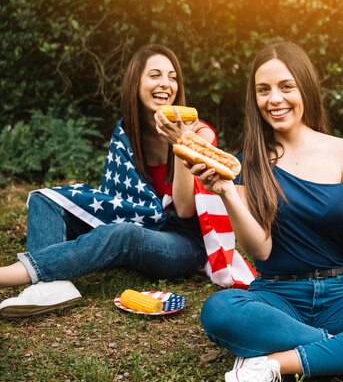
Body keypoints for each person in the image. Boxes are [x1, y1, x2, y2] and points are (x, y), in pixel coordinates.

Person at [187, 41, 343, 382]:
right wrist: (227, 192)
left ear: (305, 87)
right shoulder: (249, 161)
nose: (274, 99)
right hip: (276, 296)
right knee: (220, 310)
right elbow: (261, 251)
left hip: (339, 295)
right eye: (263, 90)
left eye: (285, 86)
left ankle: (277, 362)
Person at [0, 44, 214, 318]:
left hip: (182, 242)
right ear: (135, 83)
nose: (166, 84)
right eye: (155, 75)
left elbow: (185, 209)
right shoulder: (128, 133)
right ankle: (51, 286)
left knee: (122, 233)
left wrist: (181, 144)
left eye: (172, 77)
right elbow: (118, 200)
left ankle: (11, 276)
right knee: (45, 198)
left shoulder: (199, 134)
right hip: (140, 221)